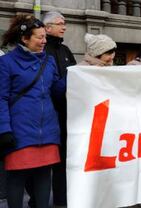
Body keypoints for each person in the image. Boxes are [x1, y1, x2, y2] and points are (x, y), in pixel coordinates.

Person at [0, 14, 65, 208]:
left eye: (45, 36)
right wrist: (4, 129)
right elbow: (1, 98)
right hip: (19, 130)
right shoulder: (6, 62)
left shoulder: (49, 61)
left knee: (44, 176)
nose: (45, 41)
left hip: (48, 130)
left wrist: (78, 74)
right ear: (24, 39)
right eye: (40, 37)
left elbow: (56, 91)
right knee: (17, 177)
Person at [36, 11, 76, 207]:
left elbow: (77, 76)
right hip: (48, 113)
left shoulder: (66, 50)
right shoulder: (42, 51)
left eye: (65, 23)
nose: (64, 27)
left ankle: (63, 199)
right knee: (44, 162)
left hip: (68, 113)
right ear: (48, 27)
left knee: (65, 160)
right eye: (60, 23)